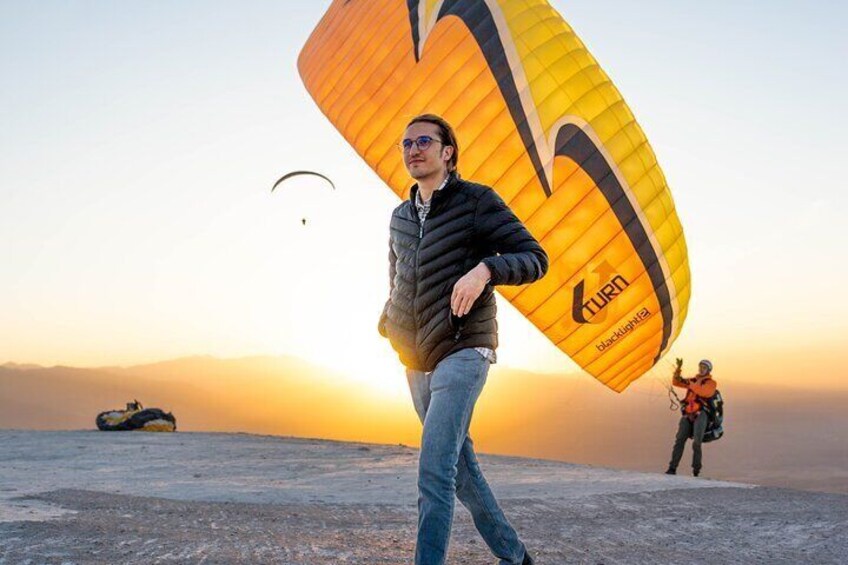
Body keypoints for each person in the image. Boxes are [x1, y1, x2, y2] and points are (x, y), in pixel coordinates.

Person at [378, 114, 548, 565]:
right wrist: (389, 323)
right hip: (415, 356)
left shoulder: (476, 202)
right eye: (406, 142)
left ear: (447, 151)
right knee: (461, 475)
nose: (413, 149)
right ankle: (516, 557)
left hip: (465, 348)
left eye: (424, 141)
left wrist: (486, 269)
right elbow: (398, 276)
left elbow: (535, 258)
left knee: (434, 471)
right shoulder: (399, 216)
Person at [666, 358, 718, 477]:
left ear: (708, 370)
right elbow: (676, 382)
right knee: (679, 440)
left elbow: (704, 392)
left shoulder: (711, 383)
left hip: (702, 414)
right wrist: (678, 370)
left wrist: (690, 384)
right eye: (700, 366)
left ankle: (696, 470)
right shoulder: (693, 380)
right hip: (688, 414)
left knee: (696, 443)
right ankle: (672, 468)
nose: (701, 369)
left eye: (704, 367)